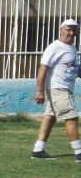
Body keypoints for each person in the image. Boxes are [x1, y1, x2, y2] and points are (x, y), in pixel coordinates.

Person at [31, 19, 80, 161]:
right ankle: (79, 153)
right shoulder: (55, 47)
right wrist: (40, 90)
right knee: (72, 117)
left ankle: (38, 150)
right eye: (68, 29)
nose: (71, 33)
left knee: (50, 118)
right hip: (58, 88)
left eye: (74, 30)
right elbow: (43, 68)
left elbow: (74, 67)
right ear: (61, 30)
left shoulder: (72, 47)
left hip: (65, 88)